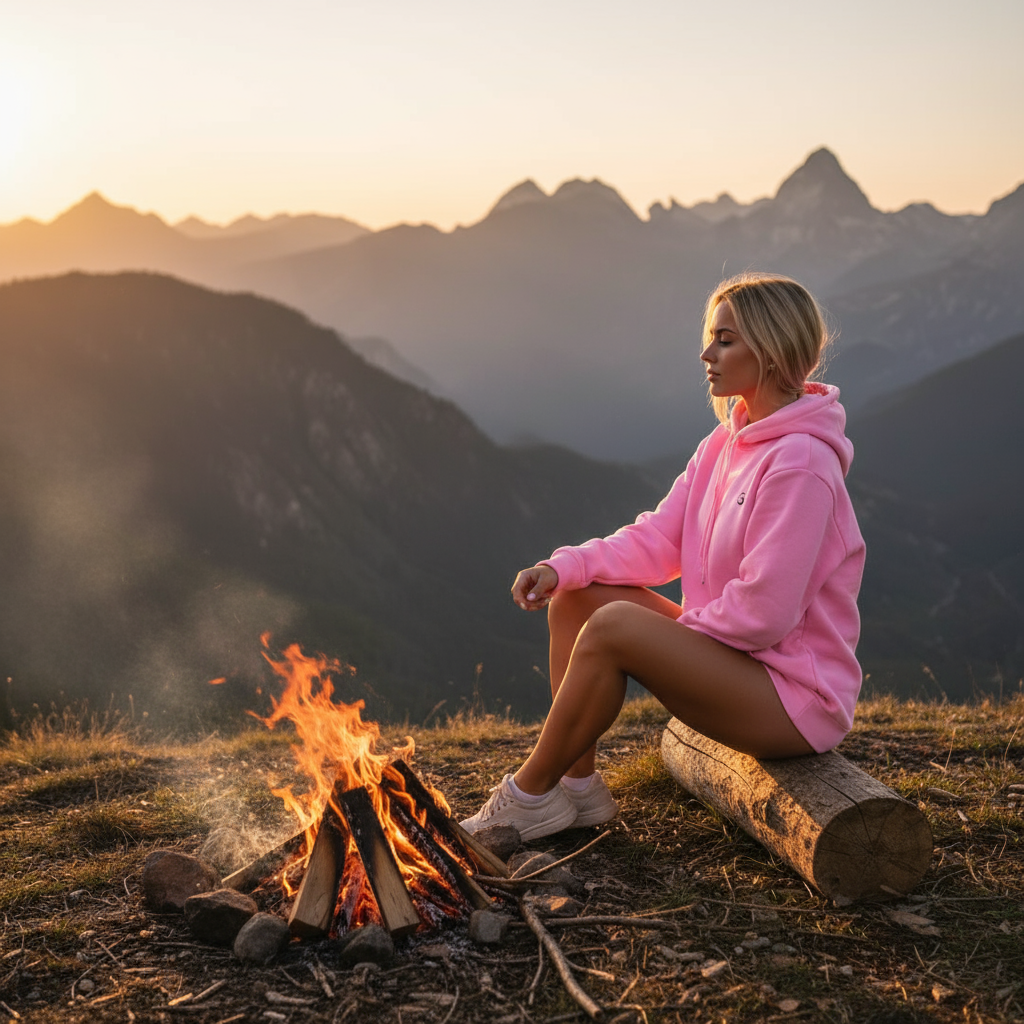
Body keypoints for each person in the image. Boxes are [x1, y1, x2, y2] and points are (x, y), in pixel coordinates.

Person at [461, 272, 866, 841]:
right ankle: (578, 792)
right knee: (578, 598)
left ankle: (526, 797)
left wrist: (667, 642)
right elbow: (658, 539)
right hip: (738, 663)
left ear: (771, 350)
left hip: (794, 700)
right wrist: (564, 566)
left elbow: (765, 613)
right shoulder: (723, 445)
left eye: (725, 340)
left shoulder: (801, 463)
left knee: (615, 626)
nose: (707, 353)